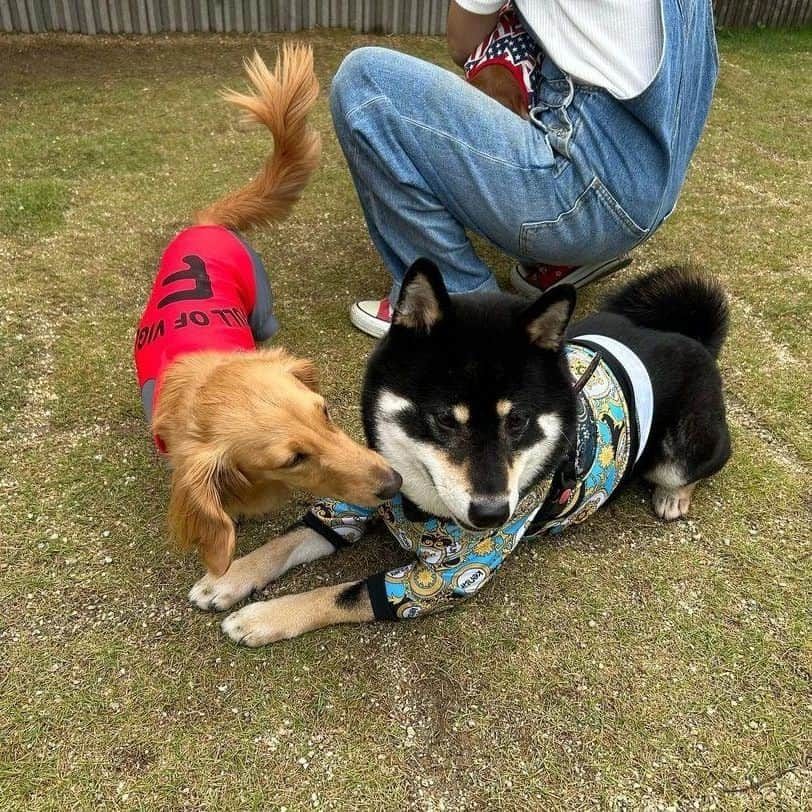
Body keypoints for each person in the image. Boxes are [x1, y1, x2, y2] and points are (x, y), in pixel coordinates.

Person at [330, 0, 719, 337]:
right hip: (651, 189)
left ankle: (453, 304)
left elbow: (462, 41)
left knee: (366, 84)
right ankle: (562, 260)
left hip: (581, 199)